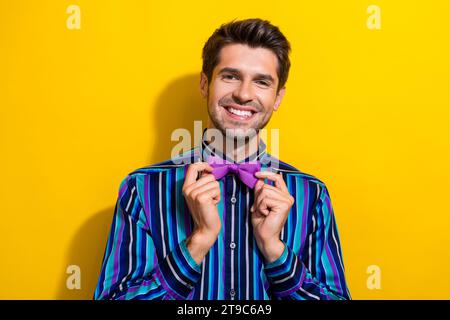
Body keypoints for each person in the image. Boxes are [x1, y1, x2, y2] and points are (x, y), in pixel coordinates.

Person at [94, 18, 351, 300]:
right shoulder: (142, 189)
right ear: (205, 84)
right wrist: (199, 241)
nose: (243, 94)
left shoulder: (311, 194)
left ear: (277, 97)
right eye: (230, 76)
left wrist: (275, 249)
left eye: (262, 82)